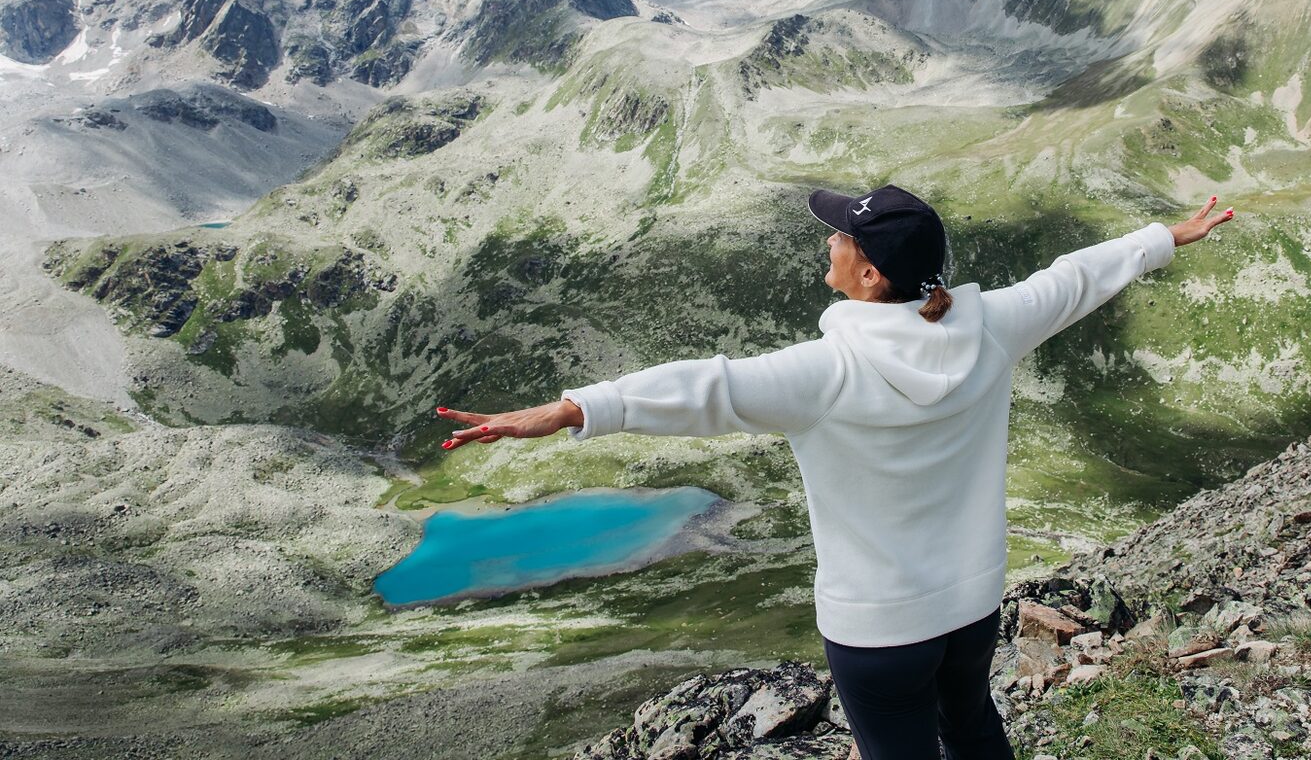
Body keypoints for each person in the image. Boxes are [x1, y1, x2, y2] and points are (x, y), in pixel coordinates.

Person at [434, 186, 1235, 759]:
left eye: (842, 238)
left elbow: (701, 387)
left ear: (868, 277)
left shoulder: (826, 371)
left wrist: (569, 409)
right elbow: (1077, 279)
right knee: (973, 724)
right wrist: (1166, 236)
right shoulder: (994, 325)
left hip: (878, 629)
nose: (829, 240)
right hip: (972, 603)